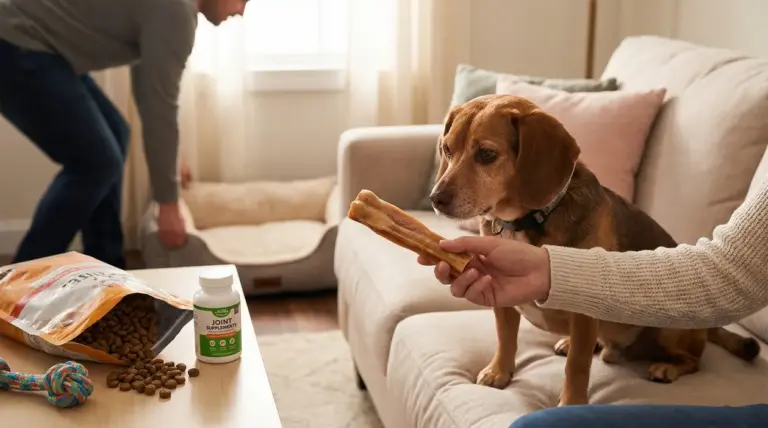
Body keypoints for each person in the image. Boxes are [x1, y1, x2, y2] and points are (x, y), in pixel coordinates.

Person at [418, 178, 768, 427]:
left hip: (662, 329)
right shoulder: (495, 218)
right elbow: (730, 270)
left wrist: (561, 276)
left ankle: (685, 359)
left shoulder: (584, 215)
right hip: (640, 310)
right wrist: (554, 274)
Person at [0, 0, 246, 269]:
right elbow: (159, 108)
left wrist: (171, 161)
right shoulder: (177, 12)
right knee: (96, 161)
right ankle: (16, 288)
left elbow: (150, 94)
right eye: (244, 0)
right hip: (15, 42)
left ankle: (107, 275)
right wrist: (168, 205)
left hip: (35, 46)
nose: (241, 11)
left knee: (115, 137)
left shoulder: (172, 9)